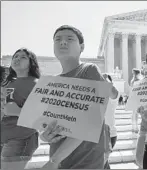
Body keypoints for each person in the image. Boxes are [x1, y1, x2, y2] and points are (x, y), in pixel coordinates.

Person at [39, 25, 118, 169]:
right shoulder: (52, 82)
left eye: (70, 39)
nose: (63, 42)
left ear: (81, 47)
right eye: (58, 39)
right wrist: (44, 135)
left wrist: (53, 161)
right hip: (61, 157)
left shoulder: (88, 69)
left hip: (86, 159)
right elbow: (51, 122)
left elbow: (90, 121)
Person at [1, 48, 41, 169]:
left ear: (31, 63)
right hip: (4, 136)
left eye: (23, 57)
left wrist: (18, 111)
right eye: (15, 56)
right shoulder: (7, 83)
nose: (17, 59)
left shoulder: (37, 84)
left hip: (21, 139)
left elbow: (43, 115)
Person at [103, 74, 119, 169]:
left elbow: (112, 90)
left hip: (110, 135)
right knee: (102, 164)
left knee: (101, 163)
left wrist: (105, 78)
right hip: (98, 134)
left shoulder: (113, 96)